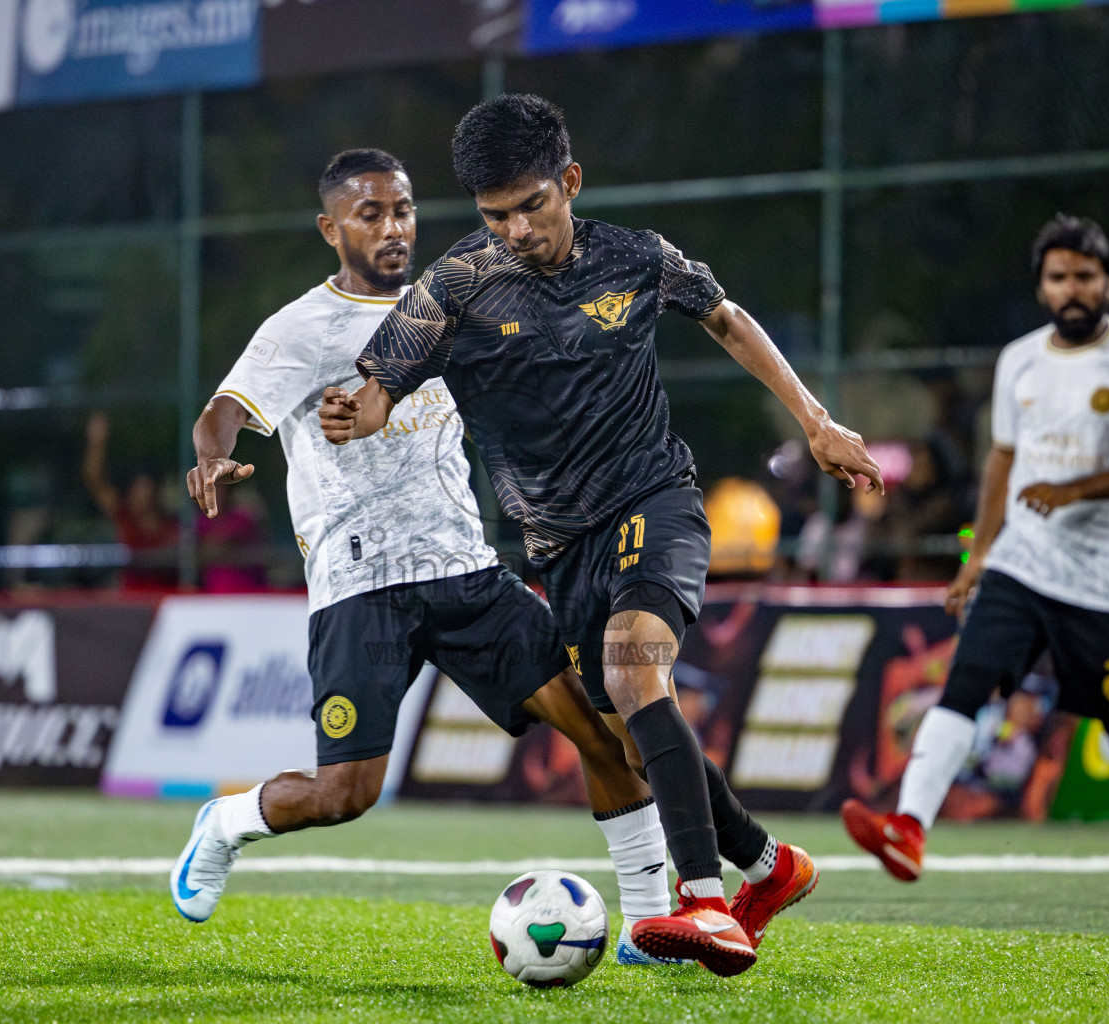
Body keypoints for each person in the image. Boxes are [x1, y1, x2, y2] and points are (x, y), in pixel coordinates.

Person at [322, 96, 883, 975]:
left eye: (530, 206)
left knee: (632, 666)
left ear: (569, 183)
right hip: (559, 546)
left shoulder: (636, 256)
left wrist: (814, 421)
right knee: (629, 735)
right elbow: (383, 382)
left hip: (654, 498)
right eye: (494, 214)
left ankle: (705, 904)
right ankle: (771, 868)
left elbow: (727, 317)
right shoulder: (454, 286)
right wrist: (359, 412)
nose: (513, 229)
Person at [169, 149, 682, 966]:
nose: (393, 226)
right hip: (359, 586)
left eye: (402, 209)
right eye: (369, 213)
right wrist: (211, 456)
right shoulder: (300, 327)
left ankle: (653, 925)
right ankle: (227, 822)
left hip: (465, 572)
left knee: (599, 730)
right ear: (330, 228)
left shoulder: (456, 301)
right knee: (345, 796)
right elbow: (224, 409)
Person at [841, 214, 1109, 897]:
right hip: (1023, 565)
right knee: (965, 682)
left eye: (1085, 276)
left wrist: (1075, 489)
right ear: (1042, 289)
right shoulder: (1020, 361)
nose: (1073, 289)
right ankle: (908, 828)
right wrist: (978, 555)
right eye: (1059, 278)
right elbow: (1002, 460)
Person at [83, 411, 180, 591]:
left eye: (148, 487)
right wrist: (96, 443)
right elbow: (94, 481)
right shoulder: (125, 516)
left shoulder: (171, 523)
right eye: (139, 488)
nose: (145, 495)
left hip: (169, 601)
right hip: (134, 602)